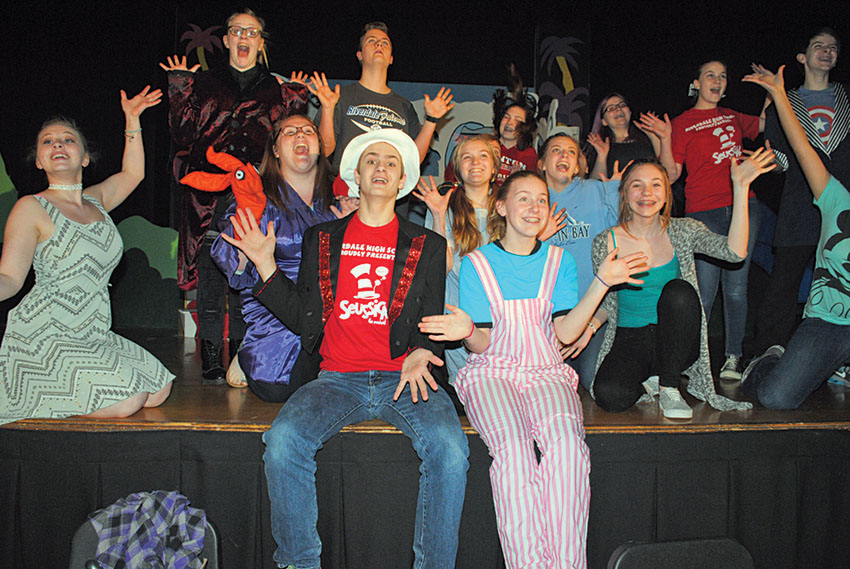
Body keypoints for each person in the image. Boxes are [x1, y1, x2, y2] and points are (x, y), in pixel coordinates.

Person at [221, 129, 468, 569]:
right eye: (372, 160)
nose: (380, 168)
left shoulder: (428, 245)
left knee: (450, 450)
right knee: (283, 442)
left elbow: (431, 318)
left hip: (405, 377)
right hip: (336, 378)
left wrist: (421, 350)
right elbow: (303, 318)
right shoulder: (322, 238)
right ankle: (300, 563)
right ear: (356, 175)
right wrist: (265, 264)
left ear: (403, 181)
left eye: (390, 163)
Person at [418, 170, 646, 568]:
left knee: (569, 448)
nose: (534, 207)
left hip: (546, 371)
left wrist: (601, 283)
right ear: (501, 207)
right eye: (523, 198)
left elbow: (564, 334)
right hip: (492, 372)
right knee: (515, 453)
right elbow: (483, 343)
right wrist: (467, 330)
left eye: (541, 199)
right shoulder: (476, 264)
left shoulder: (560, 261)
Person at [0, 88, 174, 425]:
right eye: (48, 142)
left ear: (84, 158)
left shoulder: (96, 201)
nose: (58, 145)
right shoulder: (31, 207)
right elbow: (9, 277)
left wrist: (132, 119)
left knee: (158, 390)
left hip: (93, 332)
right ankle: (35, 392)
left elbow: (133, 174)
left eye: (68, 140)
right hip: (47, 335)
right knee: (130, 399)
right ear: (38, 161)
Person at [160, 9, 308, 383]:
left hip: (255, 192)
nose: (244, 37)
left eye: (252, 32)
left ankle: (243, 350)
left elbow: (290, 139)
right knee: (212, 271)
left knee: (249, 268)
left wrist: (298, 98)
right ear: (226, 39)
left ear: (260, 42)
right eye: (237, 30)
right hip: (208, 191)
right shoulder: (203, 82)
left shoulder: (277, 90)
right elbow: (182, 134)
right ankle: (211, 350)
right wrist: (179, 87)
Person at [590, 152, 773, 419]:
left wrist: (741, 187)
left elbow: (734, 253)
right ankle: (651, 382)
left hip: (676, 339)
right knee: (609, 395)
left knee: (679, 291)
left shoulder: (684, 230)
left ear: (666, 194)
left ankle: (669, 386)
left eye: (655, 185)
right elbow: (607, 301)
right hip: (631, 339)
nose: (646, 193)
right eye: (637, 185)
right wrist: (590, 327)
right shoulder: (604, 241)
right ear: (625, 194)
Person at [210, 114, 357, 398]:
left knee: (357, 379)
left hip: (329, 319)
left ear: (320, 146)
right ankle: (250, 352)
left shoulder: (341, 202)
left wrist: (354, 228)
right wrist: (248, 253)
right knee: (286, 387)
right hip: (278, 322)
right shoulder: (256, 198)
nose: (300, 135)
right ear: (275, 150)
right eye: (290, 132)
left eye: (309, 131)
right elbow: (230, 261)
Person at [741, 64, 850, 409]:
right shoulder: (836, 198)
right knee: (776, 396)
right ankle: (767, 360)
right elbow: (803, 150)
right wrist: (778, 94)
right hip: (829, 324)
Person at [752, 28, 849, 356]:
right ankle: (768, 354)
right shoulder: (784, 103)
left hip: (843, 205)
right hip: (799, 205)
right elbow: (780, 156)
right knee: (784, 283)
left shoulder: (847, 98)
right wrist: (769, 164)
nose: (826, 51)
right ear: (802, 57)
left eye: (832, 47)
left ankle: (840, 357)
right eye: (818, 46)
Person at [669, 60, 765, 380]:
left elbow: (766, 124)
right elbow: (673, 172)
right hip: (703, 212)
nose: (717, 80)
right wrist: (661, 139)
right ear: (696, 83)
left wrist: (770, 90)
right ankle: (693, 357)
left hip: (743, 207)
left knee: (736, 288)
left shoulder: (733, 116)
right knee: (704, 290)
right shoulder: (682, 123)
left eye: (723, 76)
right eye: (710, 75)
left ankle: (733, 358)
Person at [301, 21, 454, 172]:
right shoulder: (339, 97)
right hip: (347, 186)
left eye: (385, 43)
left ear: (391, 59)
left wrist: (431, 120)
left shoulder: (404, 106)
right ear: (360, 55)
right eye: (371, 41)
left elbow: (413, 160)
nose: (379, 44)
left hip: (388, 186)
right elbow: (324, 151)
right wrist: (328, 108)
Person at [536, 133, 620, 390]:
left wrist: (616, 192)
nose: (564, 155)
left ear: (577, 166)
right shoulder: (531, 199)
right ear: (542, 164)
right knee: (554, 385)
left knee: (593, 381)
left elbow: (624, 239)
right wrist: (538, 238)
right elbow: (513, 261)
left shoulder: (596, 190)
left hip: (595, 310)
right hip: (546, 318)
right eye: (556, 150)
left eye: (571, 152)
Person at [414, 135, 500, 384]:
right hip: (460, 313)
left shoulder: (510, 204)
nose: (475, 162)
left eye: (483, 156)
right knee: (470, 389)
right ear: (458, 170)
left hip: (503, 316)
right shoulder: (444, 205)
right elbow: (442, 268)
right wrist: (438, 216)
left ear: (494, 167)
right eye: (467, 157)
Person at [585, 92, 676, 180]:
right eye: (611, 108)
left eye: (622, 105)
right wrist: (601, 156)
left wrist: (661, 138)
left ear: (630, 111)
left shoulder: (648, 138)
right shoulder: (600, 145)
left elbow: (669, 175)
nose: (618, 109)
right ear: (604, 121)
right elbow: (594, 186)